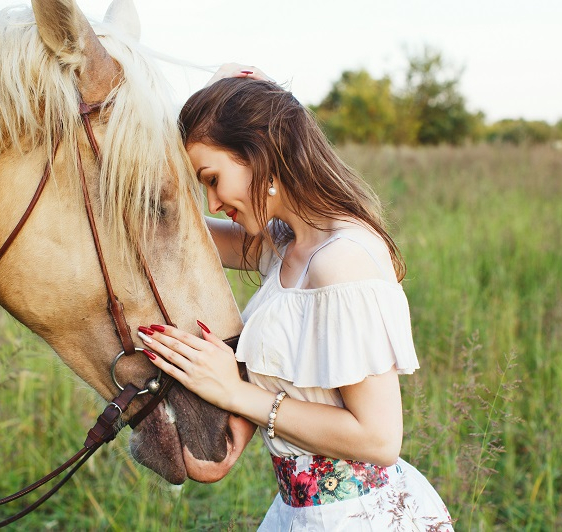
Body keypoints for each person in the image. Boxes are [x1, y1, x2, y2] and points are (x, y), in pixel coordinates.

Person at [137, 64, 454, 530]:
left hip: (354, 517)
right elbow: (186, 235)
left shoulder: (341, 260)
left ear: (258, 153)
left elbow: (380, 439)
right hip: (300, 512)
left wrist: (233, 392)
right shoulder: (288, 243)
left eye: (211, 178)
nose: (212, 202)